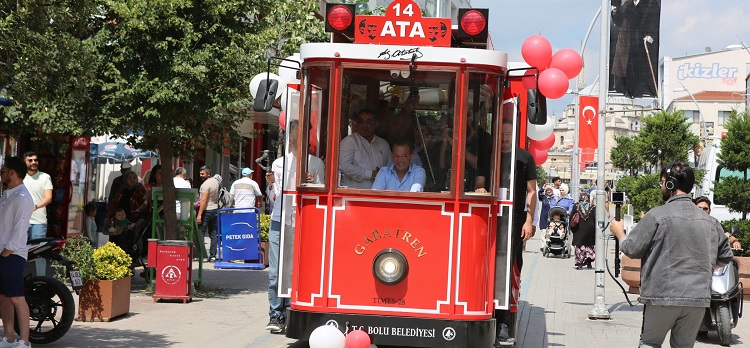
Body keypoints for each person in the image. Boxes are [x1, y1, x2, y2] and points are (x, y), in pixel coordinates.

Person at [610, 162, 733, 348]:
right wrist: (703, 265)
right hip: (697, 298)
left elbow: (632, 249)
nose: (661, 186)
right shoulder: (711, 222)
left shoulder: (656, 215)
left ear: (670, 185)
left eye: (662, 182)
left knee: (650, 343)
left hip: (662, 295)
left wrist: (620, 233)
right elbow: (724, 257)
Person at [265, 120, 325, 333]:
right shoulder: (279, 164)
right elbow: (274, 198)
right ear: (289, 135)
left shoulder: (316, 163)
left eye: (303, 133)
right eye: (294, 133)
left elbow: (321, 196)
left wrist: (311, 182)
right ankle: (275, 313)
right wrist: (271, 184)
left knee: (297, 270)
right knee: (275, 272)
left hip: (303, 221)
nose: (298, 137)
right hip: (280, 220)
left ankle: (293, 310)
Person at [495, 119, 537, 346]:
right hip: (491, 220)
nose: (503, 138)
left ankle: (504, 322)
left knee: (508, 266)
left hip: (513, 222)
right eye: (501, 134)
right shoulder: (490, 152)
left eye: (508, 134)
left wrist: (529, 220)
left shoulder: (524, 157)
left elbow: (532, 191)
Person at [0, 156, 35, 348]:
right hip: (3, 252)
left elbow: (19, 230)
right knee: (3, 297)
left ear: (12, 172)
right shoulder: (8, 193)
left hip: (12, 254)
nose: (1, 174)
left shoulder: (22, 197)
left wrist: (6, 252)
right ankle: (9, 337)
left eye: (3, 170)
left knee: (16, 297)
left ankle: (25, 341)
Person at [610, 0, 661, 99]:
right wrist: (615, 12)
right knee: (627, 68)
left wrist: (650, 36)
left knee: (641, 68)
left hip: (643, 42)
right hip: (628, 42)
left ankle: (640, 91)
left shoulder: (651, 3)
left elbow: (655, 22)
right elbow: (619, 21)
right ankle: (627, 90)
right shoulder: (627, 4)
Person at [339, 108, 391, 189]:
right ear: (356, 124)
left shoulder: (383, 144)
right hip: (353, 194)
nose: (364, 125)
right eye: (361, 122)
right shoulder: (349, 141)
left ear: (376, 124)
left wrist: (382, 173)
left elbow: (390, 167)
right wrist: (370, 174)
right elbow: (344, 166)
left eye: (369, 122)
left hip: (379, 193)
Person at [105, 171, 147, 249]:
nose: (132, 180)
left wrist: (138, 211)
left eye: (134, 177)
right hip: (119, 218)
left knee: (131, 238)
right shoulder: (122, 190)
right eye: (130, 178)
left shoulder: (141, 189)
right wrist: (108, 216)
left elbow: (146, 204)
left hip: (134, 219)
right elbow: (114, 203)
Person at [23, 151, 53, 240]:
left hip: (38, 222)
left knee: (37, 251)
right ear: (24, 162)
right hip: (21, 221)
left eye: (35, 160)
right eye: (30, 160)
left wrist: (35, 207)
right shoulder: (20, 177)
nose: (33, 162)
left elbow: (48, 198)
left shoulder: (45, 177)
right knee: (19, 251)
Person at [412, 119, 447, 192]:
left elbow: (436, 170)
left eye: (422, 131)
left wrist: (426, 150)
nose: (419, 133)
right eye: (417, 130)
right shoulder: (412, 147)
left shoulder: (436, 147)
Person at [196, 166, 220, 262]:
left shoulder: (205, 185)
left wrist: (199, 215)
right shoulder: (216, 181)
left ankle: (201, 255)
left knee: (201, 233)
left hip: (207, 210)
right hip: (215, 209)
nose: (201, 175)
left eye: (203, 174)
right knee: (213, 233)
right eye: (200, 173)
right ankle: (213, 255)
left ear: (208, 173)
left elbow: (204, 200)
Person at [570, 191, 596, 270]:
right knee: (589, 246)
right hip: (590, 230)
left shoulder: (576, 206)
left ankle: (580, 263)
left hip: (579, 229)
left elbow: (571, 217)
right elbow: (595, 218)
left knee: (579, 247)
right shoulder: (592, 207)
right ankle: (589, 262)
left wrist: (571, 228)